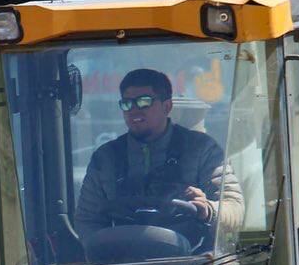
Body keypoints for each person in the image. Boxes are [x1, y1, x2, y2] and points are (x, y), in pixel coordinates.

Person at [74, 68, 243, 249]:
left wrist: (208, 209)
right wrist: (103, 255)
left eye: (144, 102)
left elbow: (234, 208)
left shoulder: (202, 150)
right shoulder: (105, 159)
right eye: (127, 104)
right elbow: (88, 220)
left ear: (167, 106)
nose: (134, 111)